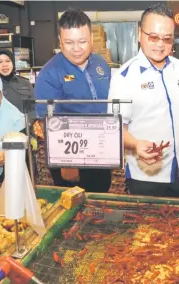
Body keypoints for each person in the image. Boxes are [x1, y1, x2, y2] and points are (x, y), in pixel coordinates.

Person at [108, 3, 179, 198]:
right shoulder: (124, 77)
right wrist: (136, 144)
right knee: (146, 229)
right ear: (139, 34)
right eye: (153, 37)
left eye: (167, 39)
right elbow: (116, 127)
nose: (160, 45)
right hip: (146, 177)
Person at [34, 8, 111, 193]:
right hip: (70, 159)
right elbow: (46, 122)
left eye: (82, 41)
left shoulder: (101, 65)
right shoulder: (49, 73)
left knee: (100, 199)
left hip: (100, 152)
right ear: (60, 42)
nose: (76, 48)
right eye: (69, 42)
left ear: (91, 40)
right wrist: (67, 162)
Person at [0, 48, 34, 113]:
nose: (4, 65)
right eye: (0, 62)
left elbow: (33, 108)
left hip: (23, 122)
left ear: (13, 63)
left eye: (8, 61)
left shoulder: (25, 83)